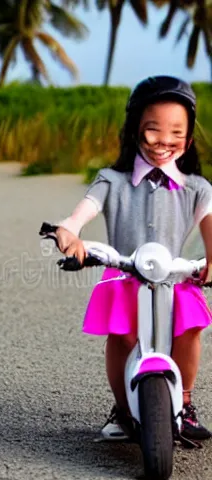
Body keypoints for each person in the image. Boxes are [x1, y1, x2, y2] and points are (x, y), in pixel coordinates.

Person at [51, 75, 212, 441]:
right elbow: (83, 212)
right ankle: (123, 410)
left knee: (189, 329)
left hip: (176, 275)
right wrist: (69, 232)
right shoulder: (113, 180)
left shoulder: (197, 188)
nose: (163, 142)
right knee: (121, 337)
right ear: (134, 130)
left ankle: (184, 403)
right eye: (153, 130)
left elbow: (210, 225)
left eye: (176, 133)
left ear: (188, 140)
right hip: (124, 275)